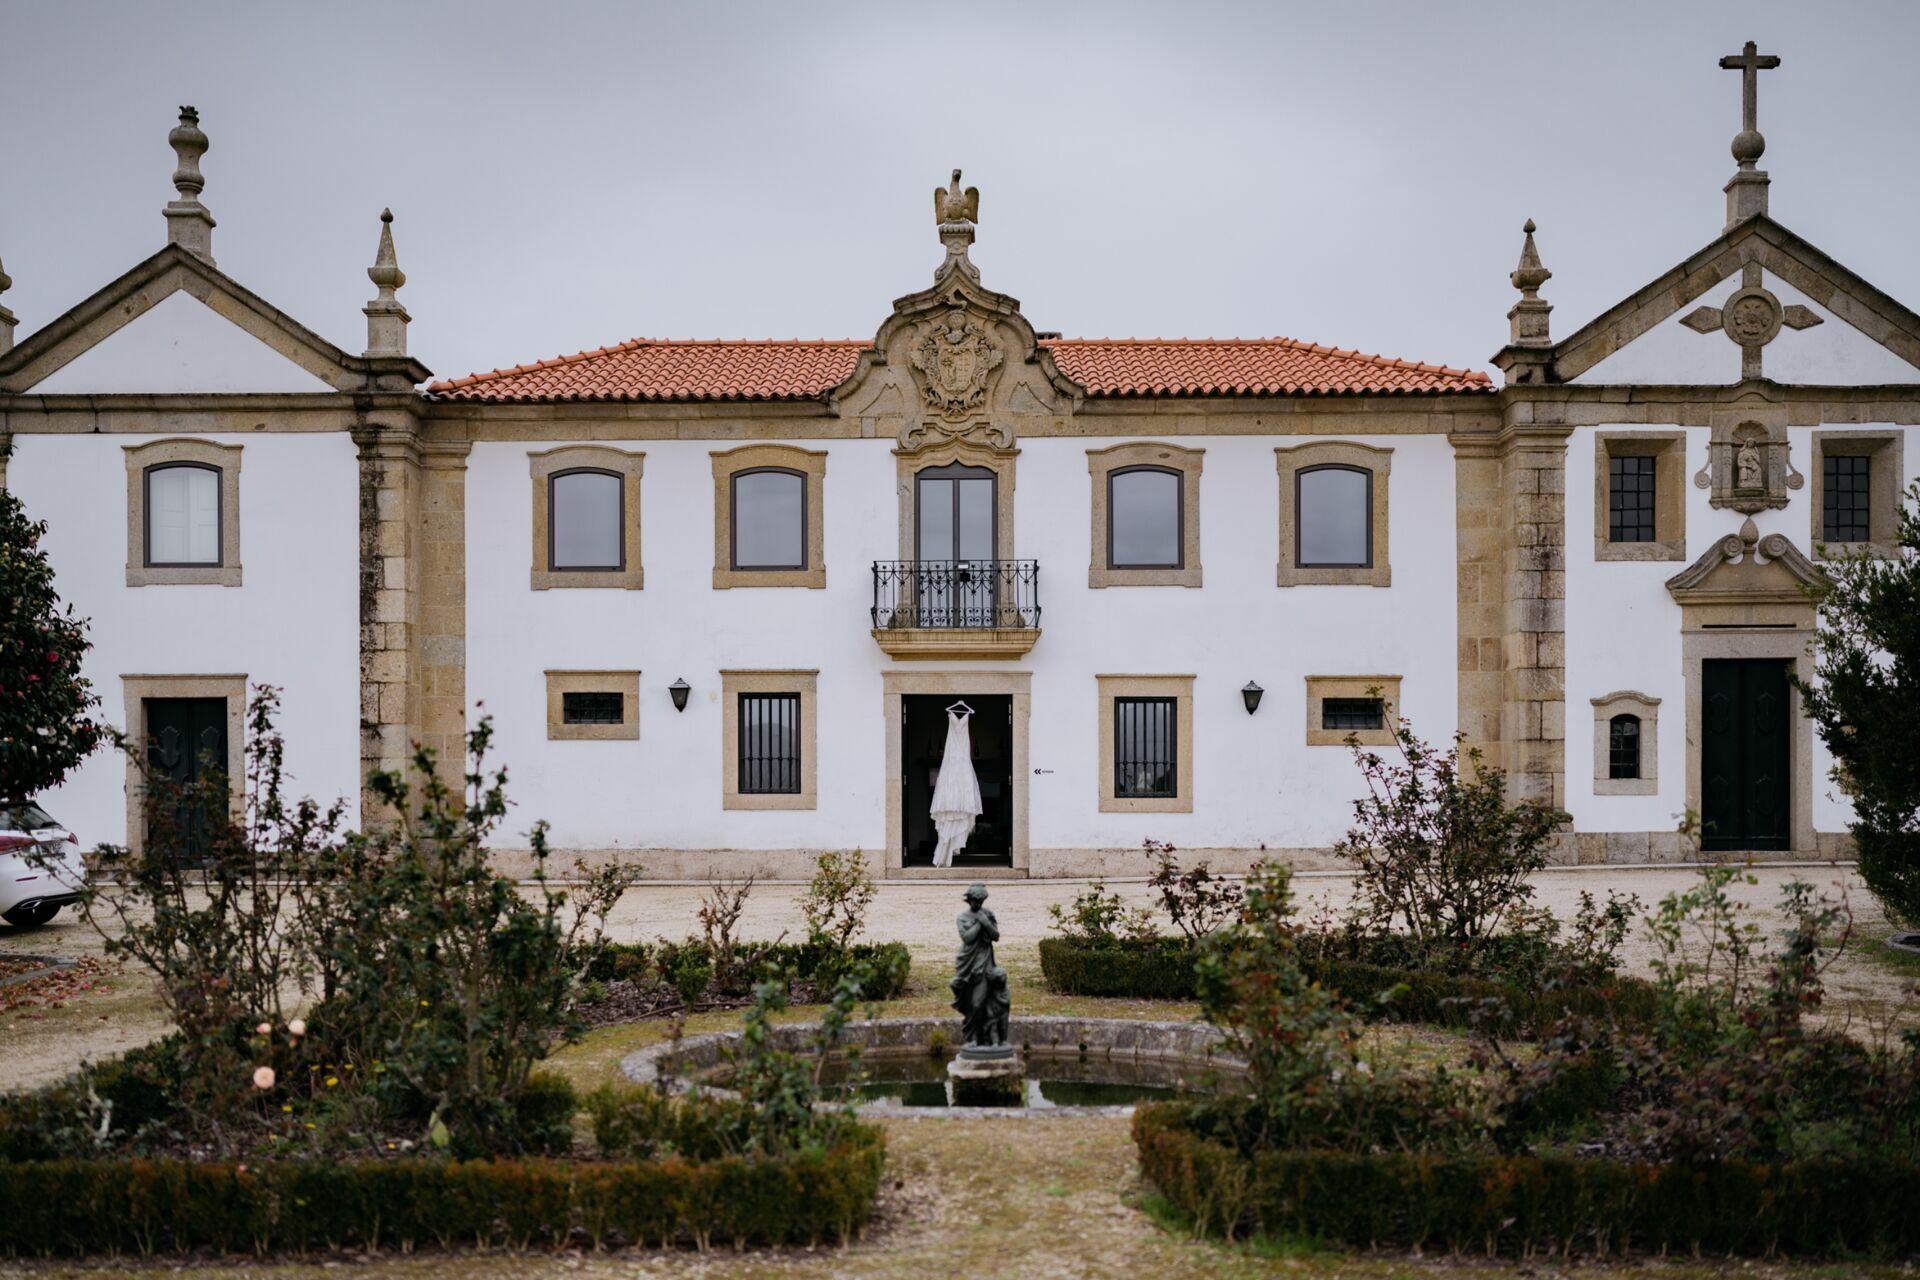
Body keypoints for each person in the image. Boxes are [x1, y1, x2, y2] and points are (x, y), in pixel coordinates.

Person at [950, 882, 1010, 1047]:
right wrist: (979, 923)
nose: (978, 904)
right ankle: (975, 1039)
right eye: (975, 901)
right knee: (970, 1002)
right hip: (967, 962)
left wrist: (985, 921)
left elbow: (996, 936)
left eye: (980, 901)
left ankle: (981, 1039)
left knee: (978, 1003)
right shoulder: (962, 917)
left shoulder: (988, 914)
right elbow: (967, 938)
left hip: (984, 963)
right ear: (969, 900)